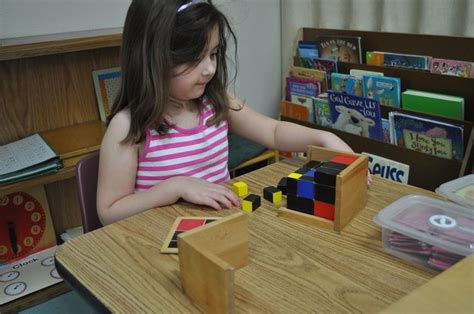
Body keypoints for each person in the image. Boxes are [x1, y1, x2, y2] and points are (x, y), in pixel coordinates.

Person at [97, 0, 356, 225]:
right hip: (161, 241)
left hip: (223, 228)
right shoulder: (128, 126)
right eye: (194, 58)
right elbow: (109, 212)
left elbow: (274, 132)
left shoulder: (216, 101)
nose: (209, 69)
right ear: (151, 58)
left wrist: (321, 138)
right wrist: (176, 187)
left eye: (213, 54)